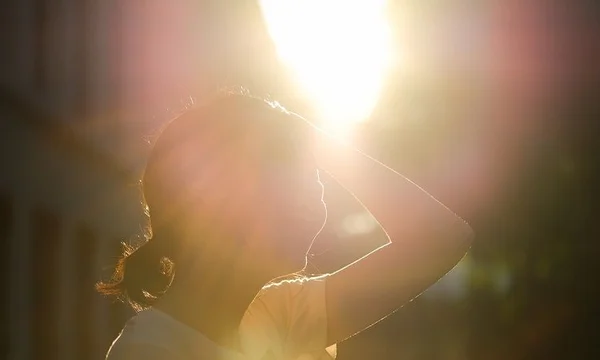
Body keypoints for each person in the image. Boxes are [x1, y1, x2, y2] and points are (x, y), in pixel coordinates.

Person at [97, 93, 474, 360]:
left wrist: (312, 137)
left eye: (315, 175)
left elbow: (442, 238)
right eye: (296, 173)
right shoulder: (153, 351)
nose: (317, 195)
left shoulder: (278, 314)